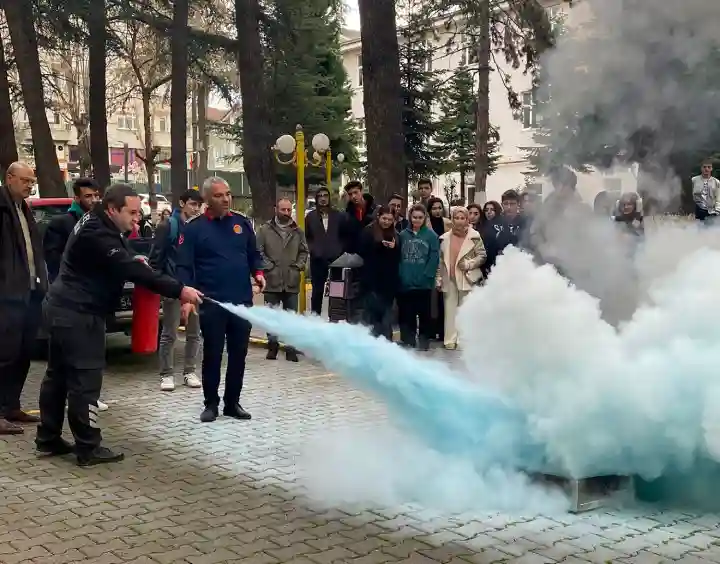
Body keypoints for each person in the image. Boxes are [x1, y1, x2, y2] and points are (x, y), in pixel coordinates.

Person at [36, 184, 203, 466]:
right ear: (113, 209)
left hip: (63, 309)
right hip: (78, 314)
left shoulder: (98, 221)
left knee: (58, 376)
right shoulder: (97, 232)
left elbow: (124, 255)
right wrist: (179, 290)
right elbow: (132, 270)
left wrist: (133, 257)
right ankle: (88, 447)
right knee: (85, 380)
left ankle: (48, 437)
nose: (138, 218)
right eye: (132, 212)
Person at [176, 177, 265, 424]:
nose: (226, 199)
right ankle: (211, 404)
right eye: (219, 195)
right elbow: (184, 266)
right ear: (206, 199)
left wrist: (258, 274)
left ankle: (232, 403)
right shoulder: (193, 228)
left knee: (239, 354)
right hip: (212, 302)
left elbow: (253, 255)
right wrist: (187, 297)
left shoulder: (242, 223)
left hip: (241, 302)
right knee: (213, 354)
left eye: (227, 194)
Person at [0, 162, 47, 435]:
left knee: (23, 353)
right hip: (8, 296)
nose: (30, 185)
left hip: (30, 292)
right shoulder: (3, 207)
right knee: (4, 354)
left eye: (32, 181)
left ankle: (12, 406)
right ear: (9, 178)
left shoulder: (24, 209)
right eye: (25, 180)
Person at [149, 189, 204, 392]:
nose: (196, 208)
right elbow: (157, 258)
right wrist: (163, 284)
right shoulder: (168, 226)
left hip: (195, 287)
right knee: (170, 332)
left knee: (194, 333)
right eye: (192, 204)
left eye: (198, 205)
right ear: (182, 203)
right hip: (173, 287)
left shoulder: (199, 227)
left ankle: (189, 371)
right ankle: (166, 374)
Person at [256, 197, 309, 362]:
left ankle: (290, 348)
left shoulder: (298, 231)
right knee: (271, 315)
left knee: (291, 316)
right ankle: (273, 345)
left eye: (288, 210)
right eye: (283, 210)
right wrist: (269, 267)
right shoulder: (264, 230)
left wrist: (298, 266)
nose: (286, 213)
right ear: (276, 210)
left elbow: (304, 251)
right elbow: (258, 251)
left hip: (291, 280)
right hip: (272, 279)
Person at [437, 207, 486, 350]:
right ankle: (450, 339)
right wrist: (439, 278)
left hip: (466, 277)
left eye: (462, 218)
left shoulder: (474, 235)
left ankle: (464, 339)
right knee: (450, 310)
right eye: (456, 218)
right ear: (452, 219)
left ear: (467, 219)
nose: (459, 221)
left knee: (465, 309)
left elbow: (482, 256)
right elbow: (440, 260)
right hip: (449, 277)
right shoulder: (445, 237)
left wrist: (470, 264)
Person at [398, 204, 439, 351]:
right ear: (410, 217)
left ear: (425, 218)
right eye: (414, 217)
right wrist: (401, 274)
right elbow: (398, 257)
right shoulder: (402, 235)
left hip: (424, 283)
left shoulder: (431, 236)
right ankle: (408, 340)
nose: (417, 220)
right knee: (407, 312)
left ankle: (423, 341)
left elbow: (434, 257)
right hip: (406, 282)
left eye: (420, 217)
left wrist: (427, 275)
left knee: (424, 313)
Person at [357, 205, 401, 340]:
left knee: (387, 316)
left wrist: (394, 248)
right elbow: (362, 252)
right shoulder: (368, 232)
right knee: (372, 315)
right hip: (371, 281)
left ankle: (386, 342)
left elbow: (398, 258)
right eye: (384, 218)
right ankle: (371, 342)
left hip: (389, 283)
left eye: (390, 219)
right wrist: (379, 245)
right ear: (378, 217)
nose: (386, 222)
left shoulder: (396, 235)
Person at [44, 177, 100, 283]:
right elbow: (53, 260)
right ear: (77, 198)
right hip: (71, 286)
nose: (94, 200)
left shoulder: (100, 221)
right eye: (88, 196)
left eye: (96, 195)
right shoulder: (61, 223)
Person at [305, 187, 344, 316]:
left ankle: (335, 317)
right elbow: (307, 236)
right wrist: (314, 249)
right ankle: (315, 319)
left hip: (336, 259)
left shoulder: (338, 215)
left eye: (325, 195)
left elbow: (343, 235)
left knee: (336, 290)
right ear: (316, 199)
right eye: (320, 196)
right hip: (317, 259)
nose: (323, 198)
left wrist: (339, 249)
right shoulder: (310, 217)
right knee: (317, 291)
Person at [341, 180, 376, 254]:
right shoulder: (347, 215)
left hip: (372, 255)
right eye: (350, 194)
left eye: (356, 192)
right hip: (354, 257)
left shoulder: (375, 210)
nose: (353, 196)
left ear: (361, 191)